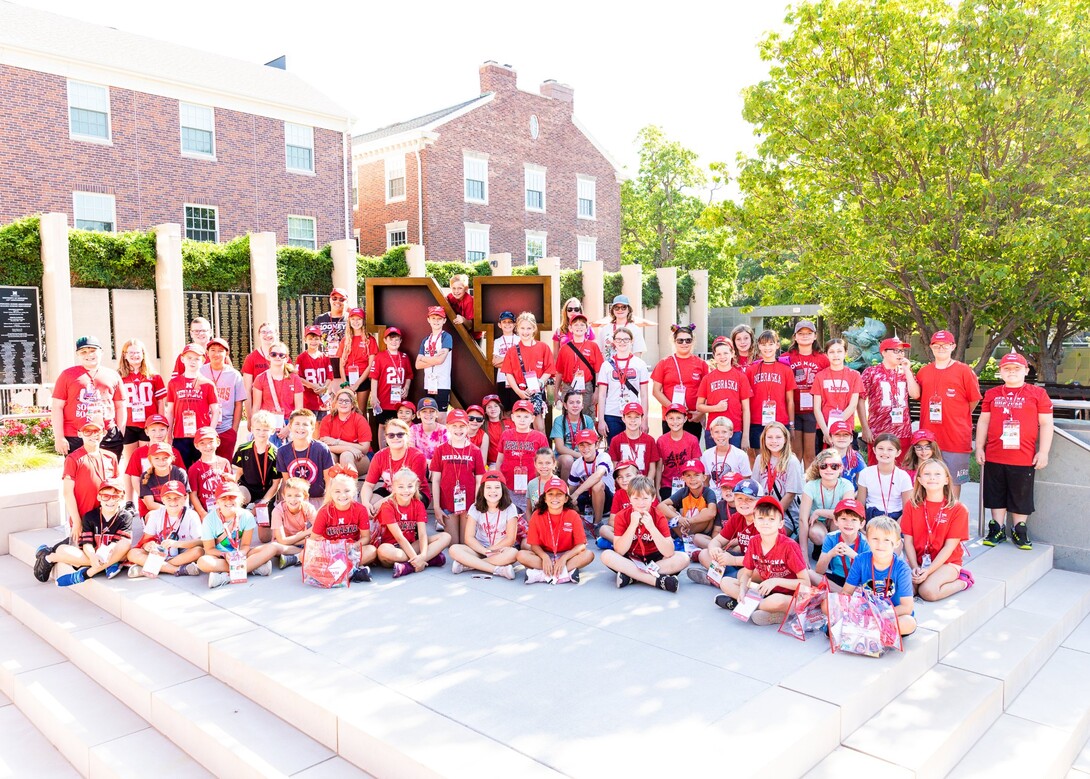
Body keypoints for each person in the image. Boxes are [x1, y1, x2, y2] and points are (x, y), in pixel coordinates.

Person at [976, 351, 1054, 550]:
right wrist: (979, 447)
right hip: (994, 454)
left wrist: (1043, 451)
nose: (1012, 372)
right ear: (1000, 372)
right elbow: (984, 421)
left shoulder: (1037, 394)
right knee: (995, 493)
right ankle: (998, 528)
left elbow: (1046, 424)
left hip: (1023, 456)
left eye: (1017, 368)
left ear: (1026, 371)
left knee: (1021, 494)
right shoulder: (992, 394)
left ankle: (1020, 529)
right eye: (1007, 369)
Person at [713, 496, 809, 625]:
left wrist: (775, 581)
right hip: (764, 591)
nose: (766, 523)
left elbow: (805, 583)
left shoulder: (789, 546)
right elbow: (747, 573)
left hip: (788, 595)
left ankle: (747, 605)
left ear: (780, 524)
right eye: (761, 519)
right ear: (755, 522)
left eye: (771, 519)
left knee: (776, 601)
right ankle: (767, 611)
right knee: (725, 582)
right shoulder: (754, 541)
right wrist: (742, 590)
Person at [916, 330, 982, 499]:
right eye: (937, 345)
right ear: (931, 347)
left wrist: (958, 415)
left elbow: (973, 400)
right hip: (929, 439)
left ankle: (951, 518)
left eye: (945, 345)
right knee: (928, 480)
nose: (941, 348)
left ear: (953, 346)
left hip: (955, 437)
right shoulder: (923, 372)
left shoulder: (964, 371)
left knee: (952, 481)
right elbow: (917, 395)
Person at [35, 478, 133, 586]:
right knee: (62, 550)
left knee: (125, 545)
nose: (110, 501)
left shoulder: (125, 517)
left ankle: (85, 574)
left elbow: (117, 544)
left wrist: (107, 554)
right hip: (91, 555)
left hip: (113, 553)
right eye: (106, 496)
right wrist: (93, 557)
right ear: (99, 497)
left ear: (122, 498)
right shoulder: (90, 516)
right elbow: (87, 543)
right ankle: (109, 564)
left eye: (115, 497)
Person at [902, 459, 973, 600]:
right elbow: (908, 541)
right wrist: (915, 567)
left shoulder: (958, 509)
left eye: (937, 474)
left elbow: (949, 547)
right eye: (927, 474)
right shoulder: (912, 505)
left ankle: (963, 581)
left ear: (946, 480)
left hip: (947, 562)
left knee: (928, 592)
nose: (932, 477)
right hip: (919, 561)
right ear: (920, 480)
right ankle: (922, 575)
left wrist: (928, 571)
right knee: (906, 592)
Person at [602, 475, 687, 592]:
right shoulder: (622, 515)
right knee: (606, 555)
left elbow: (669, 552)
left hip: (656, 559)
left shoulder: (658, 515)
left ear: (653, 498)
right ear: (629, 498)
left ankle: (632, 576)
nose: (640, 503)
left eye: (645, 498)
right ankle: (657, 581)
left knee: (683, 558)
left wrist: (652, 527)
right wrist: (632, 525)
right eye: (636, 498)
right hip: (631, 557)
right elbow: (619, 551)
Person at [52, 335, 126, 459]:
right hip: (76, 435)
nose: (88, 354)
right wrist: (59, 437)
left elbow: (120, 406)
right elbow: (57, 407)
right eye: (83, 352)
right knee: (79, 475)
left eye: (92, 350)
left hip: (107, 433)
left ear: (101, 352)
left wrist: (120, 433)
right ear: (78, 354)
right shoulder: (67, 375)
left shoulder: (112, 375)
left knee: (108, 475)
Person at [842, 516, 917, 637]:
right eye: (875, 538)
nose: (880, 544)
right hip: (866, 613)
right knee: (830, 607)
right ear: (867, 539)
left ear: (897, 543)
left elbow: (907, 607)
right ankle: (874, 633)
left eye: (887, 540)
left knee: (908, 623)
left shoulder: (902, 569)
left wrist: (881, 615)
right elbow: (846, 593)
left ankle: (868, 632)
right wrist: (855, 611)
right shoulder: (860, 560)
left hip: (892, 615)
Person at [196, 481, 280, 589]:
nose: (228, 501)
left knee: (272, 548)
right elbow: (209, 549)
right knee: (203, 562)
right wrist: (225, 555)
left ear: (240, 499)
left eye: (232, 497)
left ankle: (226, 576)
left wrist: (239, 555)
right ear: (217, 501)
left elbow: (245, 545)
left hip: (241, 554)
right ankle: (253, 568)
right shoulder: (209, 520)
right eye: (223, 498)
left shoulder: (247, 516)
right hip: (220, 556)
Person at [374, 467, 451, 578]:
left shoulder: (418, 504)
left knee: (446, 536)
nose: (406, 490)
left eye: (410, 486)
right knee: (382, 551)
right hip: (394, 548)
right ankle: (430, 560)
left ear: (416, 488)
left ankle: (409, 566)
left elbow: (422, 534)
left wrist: (423, 555)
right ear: (393, 488)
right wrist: (417, 558)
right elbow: (399, 537)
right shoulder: (388, 506)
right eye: (401, 487)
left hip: (411, 545)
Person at [518, 477, 595, 584]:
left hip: (567, 555)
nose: (555, 498)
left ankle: (541, 575)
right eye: (550, 494)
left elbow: (581, 545)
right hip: (546, 553)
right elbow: (534, 545)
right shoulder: (537, 515)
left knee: (589, 554)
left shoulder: (573, 515)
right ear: (544, 498)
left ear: (566, 498)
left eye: (559, 494)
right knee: (521, 555)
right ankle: (565, 573)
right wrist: (544, 557)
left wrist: (564, 558)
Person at [688, 475, 759, 587]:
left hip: (758, 564)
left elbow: (763, 560)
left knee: (758, 572)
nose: (743, 503)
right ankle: (728, 580)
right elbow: (716, 541)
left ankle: (716, 579)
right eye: (739, 498)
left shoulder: (764, 520)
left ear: (759, 501)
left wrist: (733, 560)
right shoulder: (737, 517)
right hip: (742, 560)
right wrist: (714, 550)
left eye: (749, 499)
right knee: (704, 554)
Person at [310, 469, 377, 583]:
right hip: (330, 552)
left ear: (354, 492)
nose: (342, 495)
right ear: (331, 492)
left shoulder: (360, 510)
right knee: (303, 555)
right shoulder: (325, 511)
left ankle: (334, 573)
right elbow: (314, 539)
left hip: (350, 551)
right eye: (337, 491)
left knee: (372, 550)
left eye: (347, 491)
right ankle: (352, 572)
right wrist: (331, 548)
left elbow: (366, 538)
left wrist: (352, 546)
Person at [449, 471, 520, 579]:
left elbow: (510, 539)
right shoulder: (475, 507)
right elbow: (469, 538)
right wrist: (485, 551)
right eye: (488, 487)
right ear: (482, 490)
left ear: (503, 490)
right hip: (478, 549)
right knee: (453, 549)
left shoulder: (511, 508)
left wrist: (492, 550)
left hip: (499, 550)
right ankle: (497, 570)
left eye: (497, 487)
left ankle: (468, 565)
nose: (493, 491)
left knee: (514, 553)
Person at [430, 409, 485, 546]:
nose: (458, 430)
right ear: (448, 427)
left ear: (467, 427)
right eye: (454, 426)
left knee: (466, 543)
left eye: (462, 426)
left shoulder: (475, 451)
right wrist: (436, 507)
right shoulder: (440, 449)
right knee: (453, 544)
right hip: (448, 502)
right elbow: (436, 480)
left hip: (469, 503)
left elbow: (479, 480)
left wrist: (477, 504)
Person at [125, 480, 202, 578]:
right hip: (160, 552)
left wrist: (177, 544)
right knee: (132, 553)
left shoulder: (191, 515)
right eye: (168, 498)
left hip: (182, 554)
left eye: (177, 498)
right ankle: (177, 570)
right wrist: (148, 545)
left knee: (198, 551)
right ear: (162, 499)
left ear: (185, 498)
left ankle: (152, 567)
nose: (173, 502)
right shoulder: (156, 514)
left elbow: (200, 542)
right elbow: (145, 540)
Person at [860, 338, 919, 464]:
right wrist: (865, 428)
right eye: (896, 351)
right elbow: (860, 400)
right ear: (884, 352)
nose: (901, 354)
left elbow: (915, 394)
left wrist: (907, 370)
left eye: (902, 351)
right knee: (877, 470)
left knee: (901, 470)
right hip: (879, 431)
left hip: (903, 430)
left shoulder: (905, 372)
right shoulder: (871, 372)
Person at [61, 420, 121, 542]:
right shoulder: (73, 459)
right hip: (83, 517)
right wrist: (77, 522)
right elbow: (67, 493)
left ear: (104, 432)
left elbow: (117, 489)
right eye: (87, 431)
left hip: (106, 518)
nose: (93, 435)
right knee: (79, 554)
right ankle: (48, 555)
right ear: (79, 434)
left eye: (96, 431)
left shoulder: (111, 457)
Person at [165, 342, 220, 467]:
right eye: (189, 358)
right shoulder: (174, 383)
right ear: (182, 359)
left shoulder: (208, 384)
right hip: (180, 435)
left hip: (201, 435)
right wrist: (168, 435)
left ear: (203, 361)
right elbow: (170, 411)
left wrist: (210, 431)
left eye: (197, 359)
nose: (193, 361)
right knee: (182, 469)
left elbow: (216, 410)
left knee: (202, 469)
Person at [651, 324, 708, 439]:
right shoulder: (664, 363)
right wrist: (673, 408)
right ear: (674, 341)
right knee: (670, 452)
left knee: (691, 453)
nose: (684, 343)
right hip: (671, 418)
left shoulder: (701, 364)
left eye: (688, 340)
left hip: (693, 417)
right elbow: (656, 391)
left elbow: (708, 392)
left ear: (693, 341)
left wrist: (701, 413)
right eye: (680, 340)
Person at [798, 449, 857, 560]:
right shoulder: (811, 486)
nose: (829, 469)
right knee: (816, 533)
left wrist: (819, 512)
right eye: (824, 466)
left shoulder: (846, 485)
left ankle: (836, 552)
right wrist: (803, 555)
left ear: (841, 468)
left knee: (842, 523)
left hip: (836, 521)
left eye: (834, 466)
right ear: (818, 468)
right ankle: (820, 547)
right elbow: (802, 519)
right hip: (817, 522)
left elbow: (847, 513)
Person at [784, 320, 828, 467]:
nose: (805, 336)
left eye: (809, 333)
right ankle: (796, 487)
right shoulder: (787, 358)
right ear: (795, 337)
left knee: (810, 454)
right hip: (793, 410)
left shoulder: (822, 359)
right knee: (796, 454)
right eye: (801, 334)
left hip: (813, 412)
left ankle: (809, 485)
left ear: (815, 336)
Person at [361, 418, 431, 511]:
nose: (395, 438)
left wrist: (380, 505)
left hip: (414, 493)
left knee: (387, 506)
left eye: (400, 434)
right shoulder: (379, 456)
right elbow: (368, 485)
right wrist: (365, 503)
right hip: (389, 491)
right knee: (370, 505)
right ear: (386, 438)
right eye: (391, 435)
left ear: (407, 436)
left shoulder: (417, 456)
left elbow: (412, 489)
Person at [696, 336, 752, 449]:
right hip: (713, 431)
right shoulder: (708, 378)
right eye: (719, 354)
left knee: (733, 465)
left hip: (735, 430)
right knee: (714, 464)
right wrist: (716, 408)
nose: (722, 357)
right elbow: (699, 406)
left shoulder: (741, 377)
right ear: (714, 357)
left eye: (725, 353)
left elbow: (746, 409)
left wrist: (745, 436)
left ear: (732, 354)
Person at [117, 337, 165, 469]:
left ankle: (145, 489)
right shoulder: (118, 376)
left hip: (149, 425)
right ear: (124, 355)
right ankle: (128, 490)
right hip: (128, 424)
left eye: (137, 352)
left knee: (147, 462)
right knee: (130, 463)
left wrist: (161, 423)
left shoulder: (154, 376)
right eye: (130, 353)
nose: (134, 355)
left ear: (143, 354)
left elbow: (160, 402)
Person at [232, 411, 281, 540]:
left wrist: (264, 502)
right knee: (237, 497)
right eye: (258, 429)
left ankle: (259, 516)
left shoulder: (276, 453)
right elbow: (239, 473)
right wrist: (233, 491)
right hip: (248, 488)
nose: (261, 432)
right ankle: (234, 531)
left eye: (265, 430)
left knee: (264, 539)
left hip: (266, 492)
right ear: (252, 429)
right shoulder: (243, 449)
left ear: (272, 431)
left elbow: (276, 483)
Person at [502, 311, 554, 432]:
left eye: (529, 328)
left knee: (539, 426)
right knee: (521, 426)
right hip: (519, 392)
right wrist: (519, 391)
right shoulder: (512, 351)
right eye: (522, 328)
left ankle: (542, 450)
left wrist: (540, 382)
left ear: (534, 329)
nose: (525, 332)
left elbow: (549, 369)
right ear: (517, 329)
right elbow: (508, 374)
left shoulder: (543, 347)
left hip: (536, 392)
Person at [745, 330, 796, 453]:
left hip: (780, 421)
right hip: (757, 421)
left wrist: (792, 425)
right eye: (763, 344)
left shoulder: (786, 370)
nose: (767, 348)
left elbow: (790, 400)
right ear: (758, 346)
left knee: (780, 459)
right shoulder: (751, 370)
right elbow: (746, 401)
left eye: (770, 344)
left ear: (777, 345)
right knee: (760, 458)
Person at [495, 400, 549, 515]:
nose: (522, 419)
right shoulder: (506, 434)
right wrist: (499, 481)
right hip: (508, 486)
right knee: (510, 518)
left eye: (526, 416)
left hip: (532, 487)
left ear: (532, 418)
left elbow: (547, 463)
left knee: (533, 517)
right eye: (518, 416)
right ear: (512, 417)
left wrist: (542, 484)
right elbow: (499, 460)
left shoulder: (539, 437)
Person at [595, 327, 650, 440]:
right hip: (611, 414)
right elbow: (602, 395)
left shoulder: (640, 364)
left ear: (632, 341)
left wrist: (644, 420)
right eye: (619, 339)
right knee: (614, 451)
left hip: (634, 414)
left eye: (626, 339)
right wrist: (601, 420)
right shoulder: (606, 365)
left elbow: (644, 395)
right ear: (614, 342)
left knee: (632, 450)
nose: (622, 342)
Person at [275, 409, 335, 509]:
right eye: (297, 424)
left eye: (305, 424)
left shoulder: (321, 449)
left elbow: (329, 481)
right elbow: (286, 482)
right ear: (290, 426)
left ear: (312, 428)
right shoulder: (282, 452)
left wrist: (325, 504)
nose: (300, 428)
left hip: (318, 499)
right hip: (295, 501)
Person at [752, 422, 804, 534]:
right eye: (770, 437)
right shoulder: (760, 459)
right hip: (762, 511)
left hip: (785, 515)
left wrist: (772, 516)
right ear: (764, 439)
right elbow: (755, 489)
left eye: (778, 437)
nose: (774, 441)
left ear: (785, 439)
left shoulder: (792, 461)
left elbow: (790, 495)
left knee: (769, 535)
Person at [199, 338, 245, 460]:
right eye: (212, 350)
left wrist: (233, 431)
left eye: (220, 350)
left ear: (226, 354)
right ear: (207, 352)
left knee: (224, 465)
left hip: (225, 428)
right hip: (204, 427)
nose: (216, 354)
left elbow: (238, 404)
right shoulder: (200, 372)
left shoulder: (234, 375)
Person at [252, 341, 304, 447]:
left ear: (286, 357)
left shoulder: (294, 379)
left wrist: (289, 428)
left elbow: (299, 408)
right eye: (274, 354)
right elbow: (256, 407)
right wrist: (255, 427)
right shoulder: (260, 378)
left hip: (289, 423)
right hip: (266, 424)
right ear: (268, 356)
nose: (277, 357)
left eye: (281, 355)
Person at [813, 338, 863, 441]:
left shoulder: (855, 375)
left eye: (839, 351)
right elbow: (816, 408)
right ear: (826, 355)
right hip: (824, 428)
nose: (836, 355)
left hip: (846, 427)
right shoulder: (820, 376)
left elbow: (853, 405)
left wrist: (835, 427)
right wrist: (826, 431)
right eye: (831, 352)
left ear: (845, 353)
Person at [553, 313, 603, 417]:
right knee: (568, 417)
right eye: (576, 324)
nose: (579, 327)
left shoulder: (593, 346)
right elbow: (559, 372)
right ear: (570, 328)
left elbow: (598, 371)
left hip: (587, 387)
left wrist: (597, 391)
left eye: (582, 325)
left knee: (587, 416)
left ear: (587, 329)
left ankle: (588, 434)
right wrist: (556, 391)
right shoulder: (565, 348)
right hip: (568, 386)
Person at [658, 459, 717, 545]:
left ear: (704, 477)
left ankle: (687, 538)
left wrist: (689, 521)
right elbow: (660, 506)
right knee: (669, 508)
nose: (692, 479)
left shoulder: (708, 492)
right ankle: (684, 538)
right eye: (688, 475)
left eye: (696, 475)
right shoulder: (683, 491)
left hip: (699, 530)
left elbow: (712, 513)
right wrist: (679, 518)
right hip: (683, 528)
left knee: (706, 511)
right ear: (683, 478)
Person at [125, 415, 183, 501]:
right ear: (146, 432)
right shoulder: (138, 453)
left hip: (171, 500)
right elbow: (135, 477)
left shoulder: (174, 451)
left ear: (167, 430)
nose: (158, 434)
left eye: (162, 430)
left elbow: (181, 475)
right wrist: (143, 497)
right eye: (153, 430)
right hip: (148, 499)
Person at [855, 433, 913, 521]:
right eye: (880, 448)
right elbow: (860, 505)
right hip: (872, 516)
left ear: (898, 453)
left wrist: (895, 529)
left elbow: (907, 510)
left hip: (897, 518)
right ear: (874, 450)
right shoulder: (865, 473)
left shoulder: (903, 477)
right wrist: (862, 529)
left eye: (890, 449)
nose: (885, 452)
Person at [815, 498, 869, 591]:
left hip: (858, 582)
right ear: (835, 521)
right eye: (844, 519)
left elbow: (870, 573)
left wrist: (855, 556)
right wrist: (831, 553)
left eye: (854, 520)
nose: (848, 523)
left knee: (869, 586)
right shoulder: (831, 538)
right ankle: (845, 594)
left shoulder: (865, 542)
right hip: (837, 578)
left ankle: (844, 594)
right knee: (810, 574)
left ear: (861, 523)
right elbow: (819, 571)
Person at [371, 326, 413, 445]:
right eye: (391, 339)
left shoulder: (404, 357)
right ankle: (382, 451)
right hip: (384, 398)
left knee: (400, 425)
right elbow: (374, 378)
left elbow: (409, 375)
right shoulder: (380, 357)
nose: (394, 342)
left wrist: (407, 387)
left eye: (396, 339)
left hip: (399, 399)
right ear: (385, 340)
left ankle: (400, 449)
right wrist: (374, 396)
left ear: (400, 341)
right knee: (383, 425)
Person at [567, 428, 614, 532]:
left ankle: (597, 523)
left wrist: (577, 493)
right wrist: (571, 500)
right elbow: (572, 490)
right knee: (569, 501)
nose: (585, 448)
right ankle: (582, 520)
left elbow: (598, 475)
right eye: (582, 445)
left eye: (589, 444)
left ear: (596, 445)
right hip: (587, 499)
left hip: (607, 498)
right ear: (578, 447)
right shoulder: (576, 464)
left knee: (597, 485)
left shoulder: (604, 456)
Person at [656, 403, 702, 500]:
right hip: (667, 484)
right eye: (671, 418)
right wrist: (657, 490)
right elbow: (659, 468)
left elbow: (696, 466)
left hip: (688, 484)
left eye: (678, 418)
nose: (675, 421)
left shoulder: (692, 440)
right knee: (667, 508)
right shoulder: (661, 441)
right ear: (666, 419)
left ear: (685, 419)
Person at [607, 402, 660, 484]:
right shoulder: (616, 440)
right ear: (623, 419)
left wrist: (646, 485)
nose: (633, 420)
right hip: (623, 485)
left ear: (642, 419)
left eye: (636, 417)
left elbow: (652, 468)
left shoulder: (650, 440)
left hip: (643, 486)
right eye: (629, 417)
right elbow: (615, 467)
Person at [318, 390, 371, 472]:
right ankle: (329, 483)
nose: (343, 403)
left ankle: (350, 483)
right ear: (335, 403)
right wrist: (348, 447)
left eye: (347, 401)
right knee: (329, 456)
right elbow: (324, 446)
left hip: (359, 457)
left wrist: (336, 442)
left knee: (346, 455)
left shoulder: (360, 420)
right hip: (336, 454)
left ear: (353, 405)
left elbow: (364, 448)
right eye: (340, 400)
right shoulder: (327, 419)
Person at [700, 417, 752, 500]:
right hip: (713, 498)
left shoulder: (740, 455)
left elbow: (746, 479)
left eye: (724, 432)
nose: (720, 435)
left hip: (733, 497)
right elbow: (706, 480)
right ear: (712, 434)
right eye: (716, 432)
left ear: (731, 433)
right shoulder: (706, 455)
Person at [187, 428, 232, 520]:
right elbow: (193, 495)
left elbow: (231, 488)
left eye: (211, 442)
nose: (207, 446)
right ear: (196, 446)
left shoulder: (224, 462)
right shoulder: (194, 469)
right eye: (202, 443)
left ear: (218, 442)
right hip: (206, 511)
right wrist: (202, 513)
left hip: (224, 510)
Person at [416, 305, 453, 419]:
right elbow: (417, 365)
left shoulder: (446, 337)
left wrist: (424, 359)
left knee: (441, 417)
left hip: (442, 384)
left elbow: (440, 360)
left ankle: (441, 437)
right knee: (429, 416)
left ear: (444, 320)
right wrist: (434, 359)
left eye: (439, 319)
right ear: (428, 320)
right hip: (429, 384)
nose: (436, 321)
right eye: (433, 318)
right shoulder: (426, 340)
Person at [271, 477, 317, 568]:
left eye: (297, 496)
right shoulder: (277, 511)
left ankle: (295, 557)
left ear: (305, 497)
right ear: (283, 496)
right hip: (286, 543)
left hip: (299, 542)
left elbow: (318, 530)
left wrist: (303, 540)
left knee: (320, 540)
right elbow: (281, 540)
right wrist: (306, 533)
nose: (293, 500)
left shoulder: (308, 507)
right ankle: (302, 554)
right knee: (276, 547)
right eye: (289, 495)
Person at [339, 307, 378, 414]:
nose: (356, 322)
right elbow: (341, 365)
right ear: (349, 321)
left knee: (360, 412)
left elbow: (371, 365)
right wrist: (345, 384)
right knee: (347, 411)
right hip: (347, 379)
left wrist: (357, 384)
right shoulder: (345, 340)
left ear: (363, 321)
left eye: (359, 319)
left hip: (362, 379)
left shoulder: (370, 340)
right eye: (353, 319)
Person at [551, 390, 596, 480]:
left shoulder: (588, 420)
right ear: (565, 405)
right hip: (563, 457)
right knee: (568, 460)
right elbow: (560, 448)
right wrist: (579, 456)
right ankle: (566, 491)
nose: (575, 405)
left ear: (582, 405)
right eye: (571, 402)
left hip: (584, 454)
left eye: (578, 402)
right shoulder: (559, 420)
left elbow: (593, 444)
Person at [138, 442, 188, 519]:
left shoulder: (180, 473)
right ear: (150, 459)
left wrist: (176, 511)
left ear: (172, 458)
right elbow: (150, 504)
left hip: (178, 508)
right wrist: (170, 511)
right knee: (151, 515)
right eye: (156, 458)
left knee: (190, 514)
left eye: (165, 458)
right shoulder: (146, 477)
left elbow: (186, 498)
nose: (161, 462)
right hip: (158, 511)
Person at [297, 326, 335, 422]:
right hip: (308, 400)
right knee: (310, 425)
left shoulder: (325, 357)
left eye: (316, 339)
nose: (313, 341)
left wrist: (324, 387)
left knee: (322, 426)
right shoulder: (301, 358)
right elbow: (298, 377)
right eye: (310, 339)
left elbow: (330, 376)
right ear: (305, 340)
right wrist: (312, 386)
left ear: (321, 340)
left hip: (323, 400)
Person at [598, 295, 649, 360]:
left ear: (628, 310)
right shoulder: (605, 329)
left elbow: (638, 353)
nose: (620, 310)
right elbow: (600, 352)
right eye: (616, 307)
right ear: (613, 310)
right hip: (609, 368)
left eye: (623, 307)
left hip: (628, 368)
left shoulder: (635, 329)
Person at [241, 322, 278, 411]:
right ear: (259, 335)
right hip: (259, 411)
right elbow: (247, 390)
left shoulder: (282, 356)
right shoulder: (251, 358)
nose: (267, 335)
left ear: (276, 334)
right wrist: (250, 417)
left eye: (270, 332)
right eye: (263, 332)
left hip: (280, 409)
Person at [314, 288, 349, 376]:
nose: (337, 301)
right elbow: (313, 340)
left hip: (346, 364)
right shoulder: (320, 319)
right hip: (325, 365)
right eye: (334, 298)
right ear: (330, 300)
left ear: (346, 302)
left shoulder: (351, 319)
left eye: (342, 299)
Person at [491, 311, 520, 411]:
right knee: (505, 409)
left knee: (517, 409)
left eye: (510, 322)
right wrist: (512, 357)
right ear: (500, 324)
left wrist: (503, 361)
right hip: (502, 379)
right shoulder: (497, 341)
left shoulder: (519, 340)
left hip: (517, 379)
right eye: (504, 322)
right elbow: (495, 362)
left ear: (515, 324)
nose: (507, 324)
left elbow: (521, 362)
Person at [409, 397, 448, 464]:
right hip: (418, 465)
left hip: (439, 467)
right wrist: (427, 463)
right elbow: (411, 453)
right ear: (418, 414)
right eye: (424, 411)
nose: (428, 414)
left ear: (437, 414)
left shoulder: (444, 430)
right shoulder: (413, 430)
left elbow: (446, 455)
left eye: (432, 411)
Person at [826, 420, 865, 486]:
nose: (841, 438)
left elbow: (864, 484)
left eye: (846, 435)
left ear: (851, 438)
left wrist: (852, 495)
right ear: (830, 438)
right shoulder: (823, 458)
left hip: (852, 494)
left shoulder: (856, 458)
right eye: (837, 434)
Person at [481, 394, 512, 467]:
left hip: (509, 461)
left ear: (500, 408)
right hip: (492, 463)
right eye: (489, 407)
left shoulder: (510, 422)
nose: (493, 409)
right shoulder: (482, 425)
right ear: (485, 411)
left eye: (496, 406)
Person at [526, 447, 559, 511]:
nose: (544, 466)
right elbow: (529, 509)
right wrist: (531, 521)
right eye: (540, 463)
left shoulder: (560, 483)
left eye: (548, 463)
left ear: (554, 464)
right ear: (535, 464)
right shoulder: (531, 484)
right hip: (535, 520)